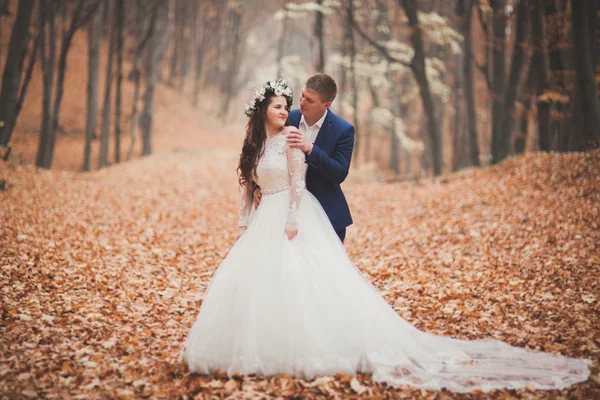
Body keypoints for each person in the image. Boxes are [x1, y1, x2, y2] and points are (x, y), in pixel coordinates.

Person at [177, 79, 591, 393]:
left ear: (326, 104)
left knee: (319, 281)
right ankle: (262, 342)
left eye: (302, 102)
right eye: (289, 103)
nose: (295, 108)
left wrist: (302, 163)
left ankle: (328, 341)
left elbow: (330, 173)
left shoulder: (328, 131)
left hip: (311, 212)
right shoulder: (275, 132)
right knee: (266, 282)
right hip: (268, 212)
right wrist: (246, 218)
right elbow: (250, 183)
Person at [253, 73, 354, 243]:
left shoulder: (343, 130)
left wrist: (311, 149)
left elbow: (340, 172)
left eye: (310, 100)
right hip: (283, 210)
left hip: (325, 211)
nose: (302, 102)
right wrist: (258, 187)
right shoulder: (287, 117)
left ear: (326, 104)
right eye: (302, 96)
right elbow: (266, 151)